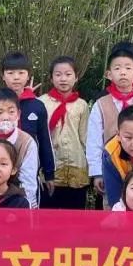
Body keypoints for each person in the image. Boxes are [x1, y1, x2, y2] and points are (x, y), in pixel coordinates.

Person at [87, 45, 133, 195]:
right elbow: (94, 141)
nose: (123, 72)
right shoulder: (101, 104)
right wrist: (97, 173)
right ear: (108, 74)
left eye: (128, 68)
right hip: (111, 168)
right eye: (117, 68)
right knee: (112, 204)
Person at [0, 52, 56, 197]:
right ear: (3, 76)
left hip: (29, 169)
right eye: (10, 73)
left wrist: (49, 173)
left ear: (29, 75)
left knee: (28, 204)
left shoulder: (37, 106)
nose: (16, 77)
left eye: (21, 73)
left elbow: (44, 139)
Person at [0, 89, 40, 208]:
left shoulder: (27, 142)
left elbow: (28, 183)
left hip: (18, 201)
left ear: (18, 114)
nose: (5, 117)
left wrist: (27, 209)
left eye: (11, 112)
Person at [39, 56, 90, 209]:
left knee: (75, 213)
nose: (63, 79)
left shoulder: (81, 105)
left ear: (76, 77)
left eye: (68, 74)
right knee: (49, 213)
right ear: (51, 78)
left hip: (76, 166)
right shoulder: (41, 102)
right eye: (58, 74)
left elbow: (85, 138)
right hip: (51, 168)